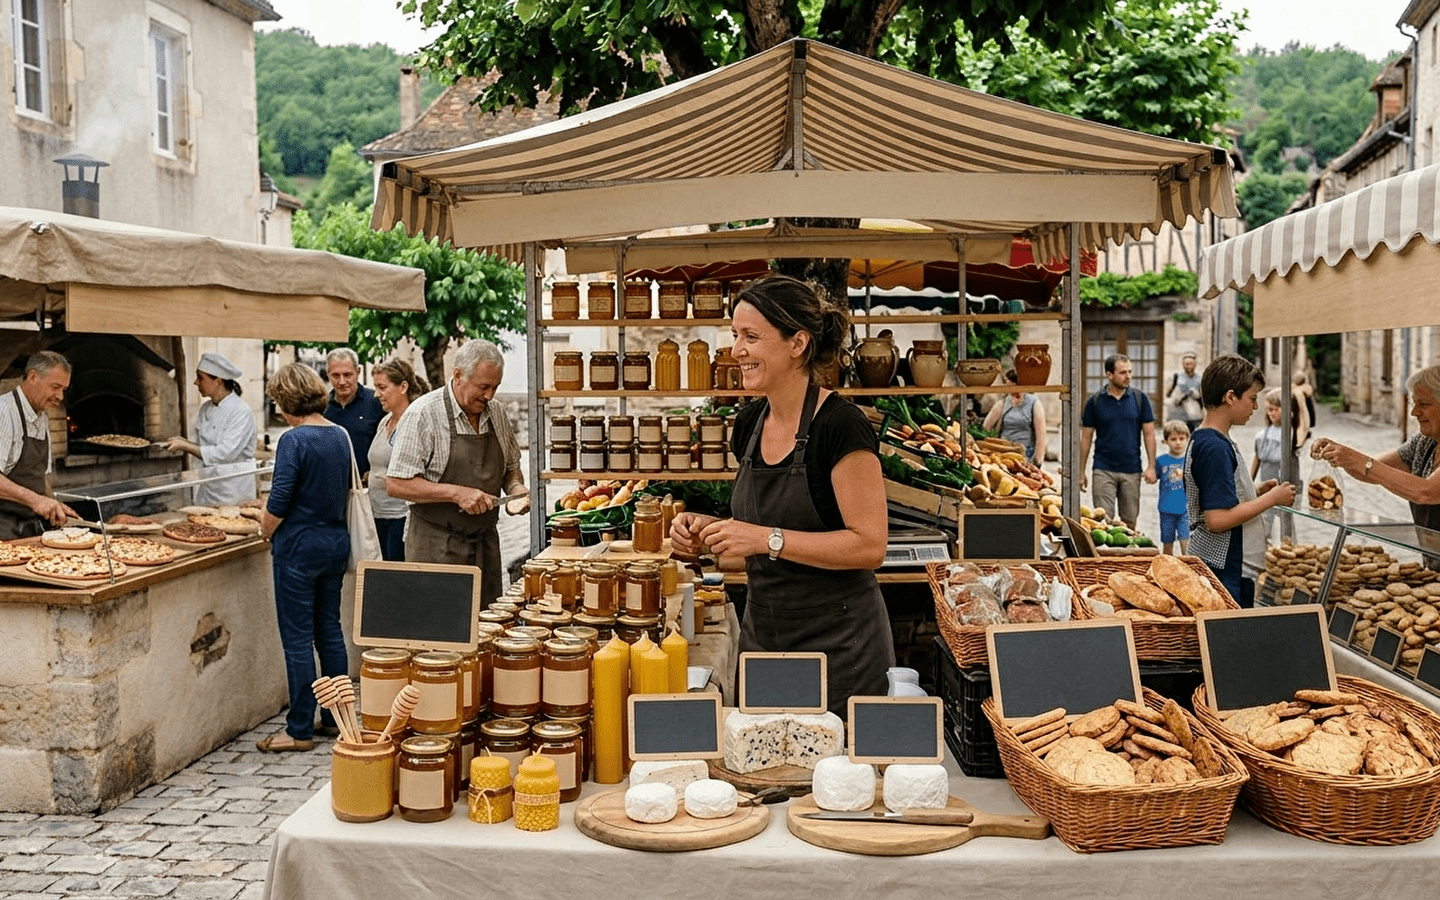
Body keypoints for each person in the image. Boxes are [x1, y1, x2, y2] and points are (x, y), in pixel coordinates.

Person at [669, 275, 893, 717]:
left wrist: (766, 538)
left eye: (751, 337)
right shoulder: (749, 425)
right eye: (736, 336)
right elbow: (751, 547)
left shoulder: (840, 426)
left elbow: (870, 545)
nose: (737, 351)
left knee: (836, 781)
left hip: (840, 650)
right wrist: (708, 537)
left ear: (797, 343)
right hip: (766, 641)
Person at [387, 340, 528, 607]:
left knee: (485, 631)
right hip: (436, 547)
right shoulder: (423, 414)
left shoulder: (496, 413)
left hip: (485, 546)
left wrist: (516, 490)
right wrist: (456, 493)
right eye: (483, 387)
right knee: (440, 635)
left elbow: (511, 468)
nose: (489, 396)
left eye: (495, 387)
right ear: (458, 375)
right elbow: (396, 484)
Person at [258, 363, 353, 752]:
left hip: (298, 546)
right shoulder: (340, 435)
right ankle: (336, 718)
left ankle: (299, 728)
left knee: (297, 639)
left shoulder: (294, 441)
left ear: (286, 401)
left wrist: (263, 526)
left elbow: (279, 500)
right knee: (329, 631)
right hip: (334, 542)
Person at [1184, 354, 1296, 606]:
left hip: (1220, 563)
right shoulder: (1214, 446)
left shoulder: (1209, 438)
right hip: (1223, 566)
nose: (1255, 407)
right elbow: (1217, 519)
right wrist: (1271, 499)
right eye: (1252, 398)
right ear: (1230, 397)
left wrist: (1254, 491)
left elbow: (1219, 494)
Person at [1312, 364, 1440, 543]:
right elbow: (1369, 472)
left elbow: (1425, 492)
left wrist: (1357, 460)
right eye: (1414, 403)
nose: (1414, 412)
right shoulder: (1424, 443)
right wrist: (1340, 454)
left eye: (1424, 404)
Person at [0, 351, 78, 538]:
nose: (60, 396)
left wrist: (55, 505)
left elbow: (38, 477)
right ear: (33, 376)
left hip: (27, 524)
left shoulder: (40, 415)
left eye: (63, 390)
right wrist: (36, 501)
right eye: (55, 387)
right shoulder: (4, 411)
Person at [165, 352, 257, 506]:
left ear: (218, 381)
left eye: (200, 377)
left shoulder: (241, 411)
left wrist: (185, 446)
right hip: (208, 489)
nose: (196, 382)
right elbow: (201, 448)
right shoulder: (205, 408)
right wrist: (183, 442)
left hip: (233, 492)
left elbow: (225, 454)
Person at [1079, 354, 1157, 528]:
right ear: (1109, 374)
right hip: (1103, 468)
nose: (1128, 376)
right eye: (1123, 372)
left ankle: (1127, 556)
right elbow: (1085, 437)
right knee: (1103, 520)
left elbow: (1149, 434)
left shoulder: (1139, 399)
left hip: (1131, 469)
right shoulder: (1094, 401)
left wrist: (1151, 466)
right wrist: (1080, 471)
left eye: (1129, 372)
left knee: (1129, 521)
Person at [368, 359, 429, 561]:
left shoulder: (415, 422)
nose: (377, 394)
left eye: (382, 387)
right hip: (378, 514)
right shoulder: (385, 420)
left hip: (401, 517)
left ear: (403, 387)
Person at [1252, 387, 1306, 543]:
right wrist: (1250, 482)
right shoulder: (1262, 435)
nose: (1271, 413)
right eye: (1268, 409)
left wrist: (1300, 401)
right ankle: (1263, 551)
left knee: (1286, 523)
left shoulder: (1291, 434)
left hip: (1286, 488)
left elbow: (1304, 426)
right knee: (1265, 522)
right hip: (1267, 488)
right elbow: (1257, 459)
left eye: (1275, 409)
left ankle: (1291, 551)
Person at [323, 348, 383, 479]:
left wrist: (374, 473)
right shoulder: (321, 406)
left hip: (367, 488)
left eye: (348, 375)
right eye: (336, 375)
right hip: (330, 486)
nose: (342, 382)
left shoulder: (376, 402)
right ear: (328, 374)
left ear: (358, 372)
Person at [982, 368, 1047, 466]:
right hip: (1004, 455)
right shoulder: (1002, 403)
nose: (1009, 391)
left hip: (1025, 455)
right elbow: (986, 427)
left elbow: (1041, 436)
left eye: (1011, 387)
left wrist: (1037, 461)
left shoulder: (1034, 403)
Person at [1156, 420, 1190, 555]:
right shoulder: (1161, 460)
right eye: (1173, 439)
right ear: (1165, 440)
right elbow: (1154, 476)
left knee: (1186, 545)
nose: (1178, 442)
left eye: (1182, 438)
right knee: (1167, 544)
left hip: (1185, 510)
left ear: (1187, 439)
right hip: (1166, 509)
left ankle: (1188, 571)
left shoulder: (1190, 460)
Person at [1168, 353, 1204, 435]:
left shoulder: (1199, 379)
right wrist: (1180, 396)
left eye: (1191, 364)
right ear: (1183, 365)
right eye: (1187, 364)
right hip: (1180, 415)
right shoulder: (1177, 378)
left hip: (1195, 416)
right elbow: (1169, 395)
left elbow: (1204, 397)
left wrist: (1197, 395)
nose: (1189, 366)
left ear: (1195, 365)